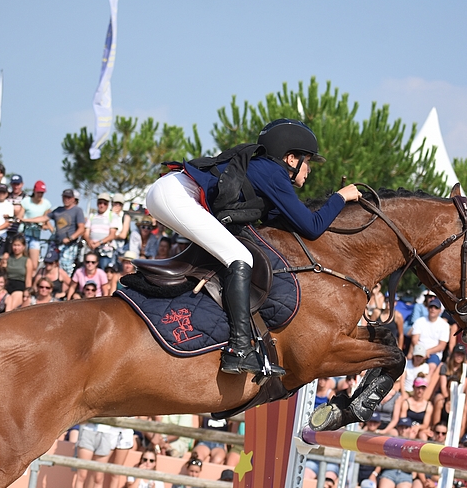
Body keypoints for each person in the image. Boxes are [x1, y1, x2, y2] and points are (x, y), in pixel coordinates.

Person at [145, 119, 360, 376]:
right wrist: (339, 198)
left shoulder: (266, 174)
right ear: (291, 159)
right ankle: (238, 350)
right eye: (308, 161)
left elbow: (281, 223)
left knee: (232, 252)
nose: (309, 169)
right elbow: (312, 227)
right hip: (174, 194)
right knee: (239, 256)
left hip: (172, 192)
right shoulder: (273, 173)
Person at [46, 189, 86, 276]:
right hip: (56, 244)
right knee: (51, 265)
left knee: (65, 269)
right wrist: (26, 219)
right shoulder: (58, 210)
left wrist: (70, 238)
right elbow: (44, 218)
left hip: (70, 246)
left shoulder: (78, 210)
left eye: (69, 197)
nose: (66, 199)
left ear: (73, 199)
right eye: (65, 197)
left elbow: (81, 228)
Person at [19, 180, 51, 266]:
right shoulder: (26, 201)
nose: (40, 195)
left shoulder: (46, 204)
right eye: (39, 192)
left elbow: (46, 220)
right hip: (24, 233)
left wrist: (45, 226)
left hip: (36, 235)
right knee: (22, 261)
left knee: (34, 263)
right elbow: (20, 216)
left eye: (42, 193)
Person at [2, 235, 33, 305]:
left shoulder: (27, 260)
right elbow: (1, 273)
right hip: (7, 285)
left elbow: (28, 280)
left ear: (23, 246)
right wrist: (3, 262)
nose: (16, 248)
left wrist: (27, 293)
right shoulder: (8, 258)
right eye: (14, 245)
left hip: (19, 287)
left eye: (19, 245)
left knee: (10, 307)